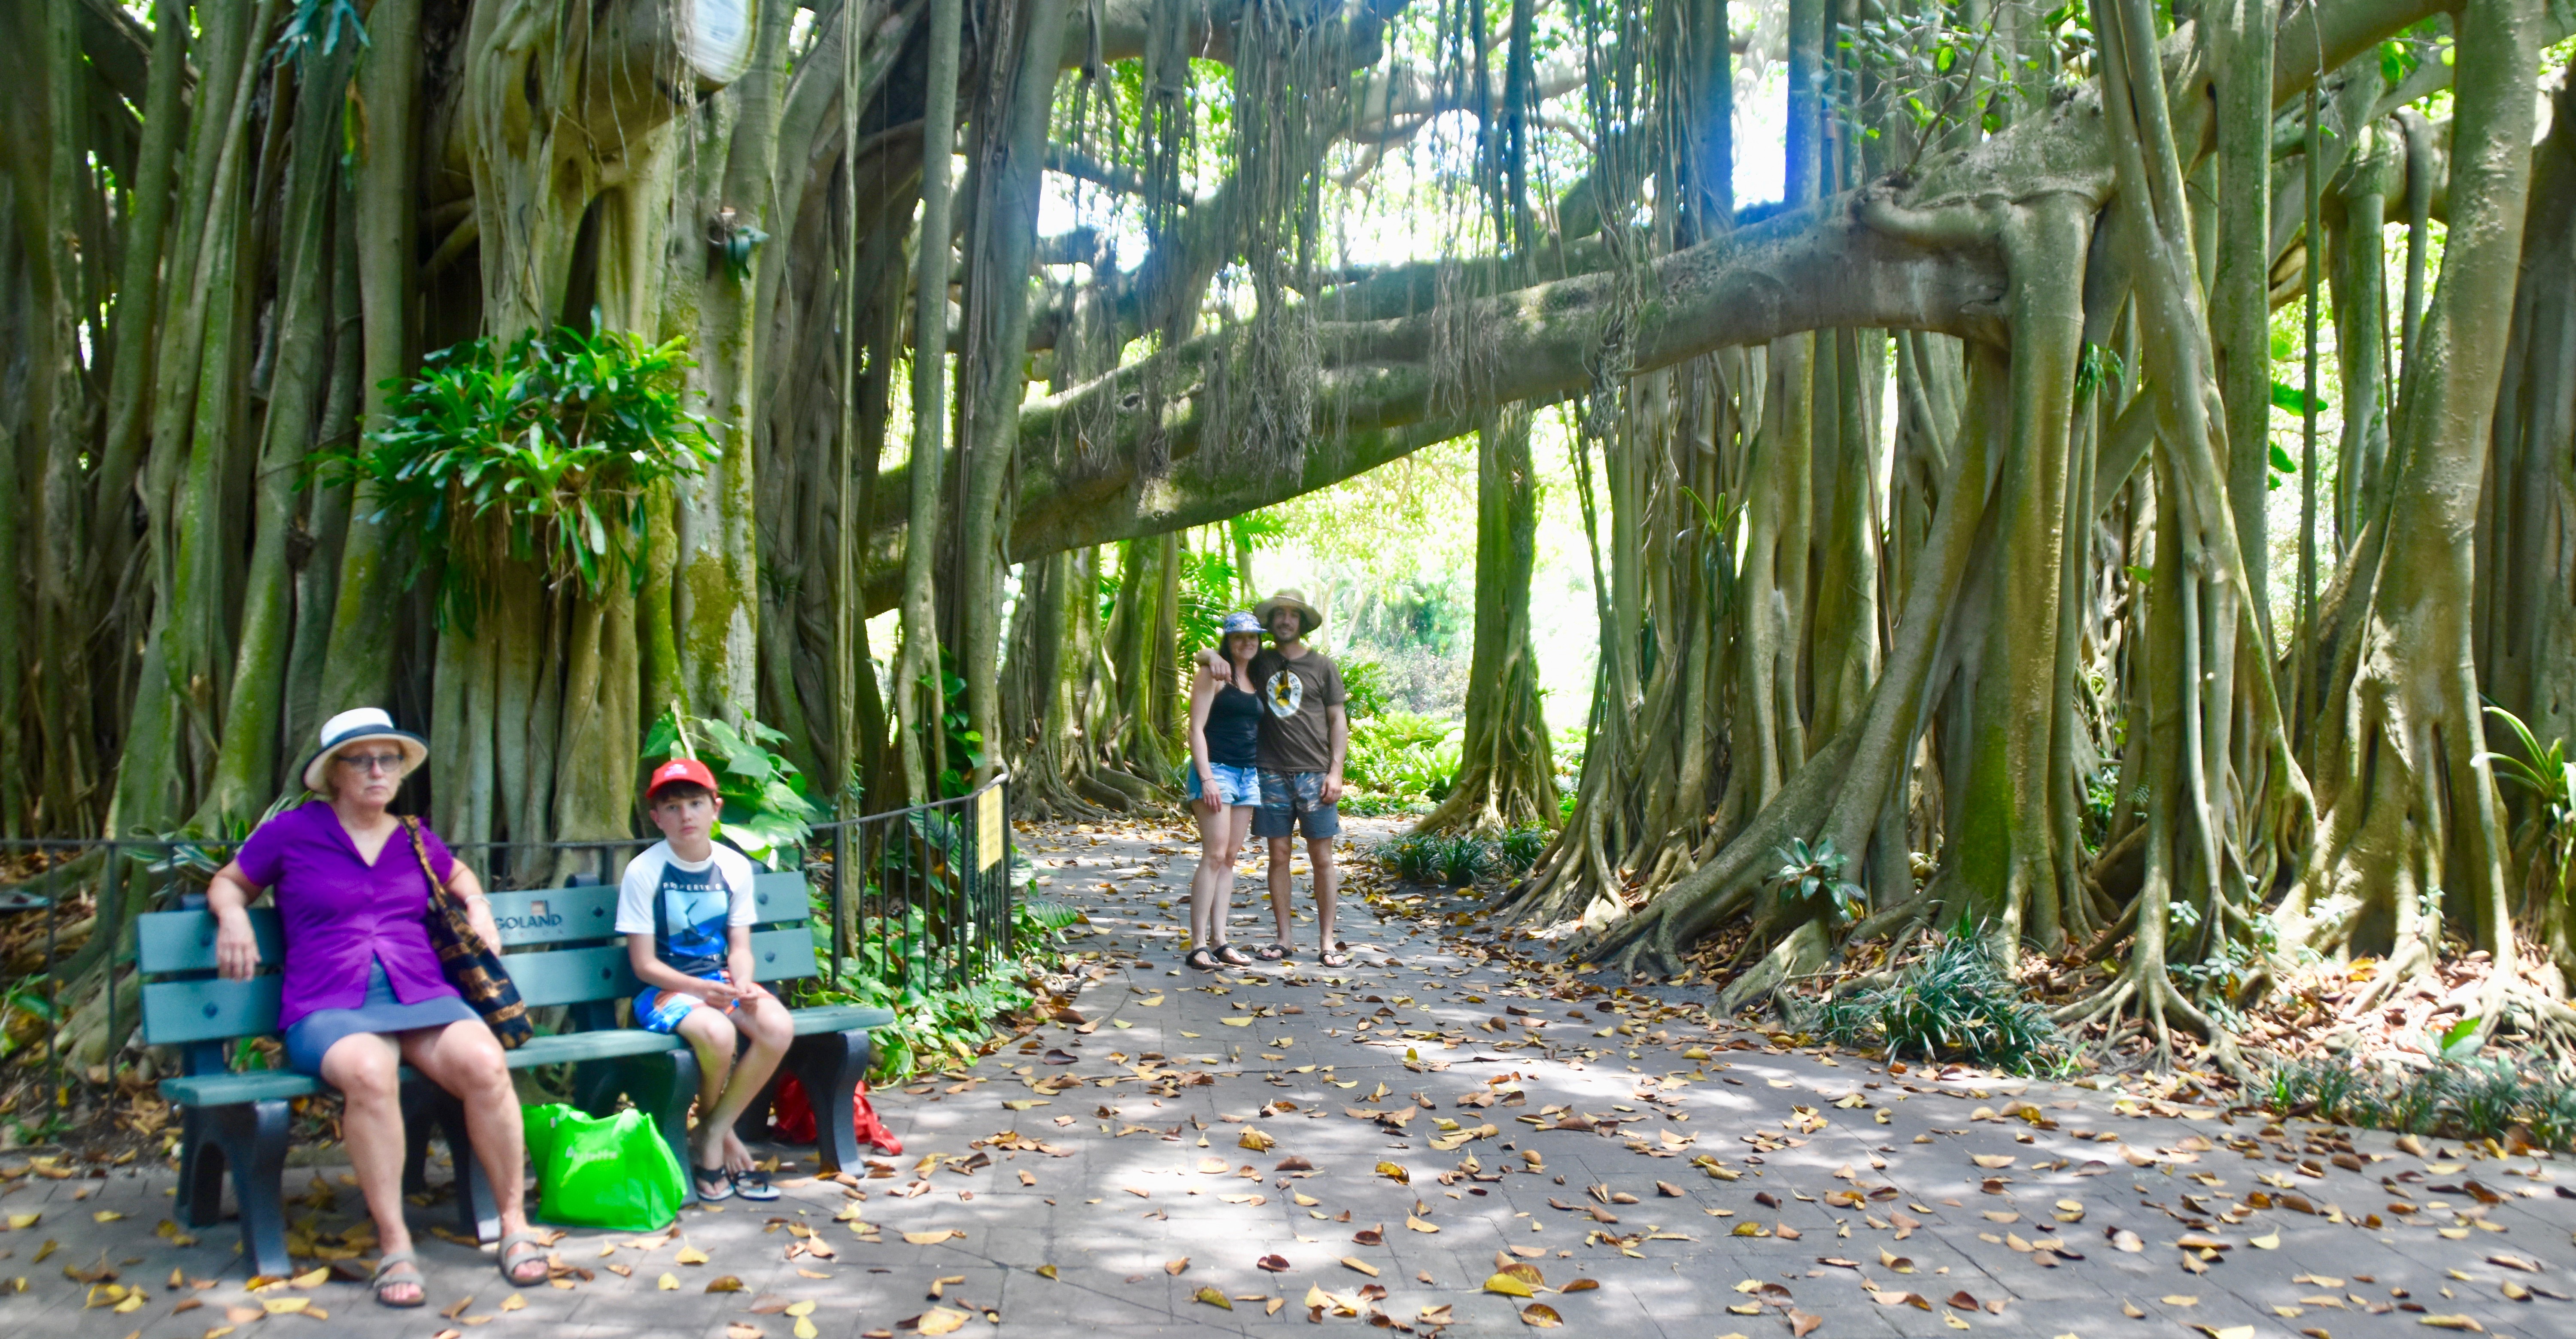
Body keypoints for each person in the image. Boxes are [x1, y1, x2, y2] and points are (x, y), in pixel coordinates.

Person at [207, 708, 549, 1306]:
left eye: (386, 759)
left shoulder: (414, 835)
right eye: (360, 759)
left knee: (486, 1063)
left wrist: (479, 904)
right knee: (369, 1071)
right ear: (332, 773)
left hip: (420, 991)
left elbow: (460, 873)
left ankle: (514, 1223)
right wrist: (233, 913)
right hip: (327, 1001)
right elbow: (231, 880)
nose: (375, 769)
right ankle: (395, 1242)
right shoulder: (292, 832)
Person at [617, 758, 793, 1203]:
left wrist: (746, 982)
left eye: (695, 803)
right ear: (657, 818)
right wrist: (699, 990)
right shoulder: (645, 871)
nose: (686, 816)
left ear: (716, 807)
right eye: (672, 807)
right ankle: (717, 1136)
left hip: (721, 982)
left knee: (777, 1026)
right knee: (716, 1032)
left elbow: (740, 945)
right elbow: (642, 963)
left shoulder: (734, 867)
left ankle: (712, 1129)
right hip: (665, 991)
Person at [1245, 589, 1351, 968]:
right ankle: (1284, 939)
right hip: (1270, 772)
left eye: (1293, 614)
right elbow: (1219, 658)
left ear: (1302, 622)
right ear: (1271, 622)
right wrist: (1208, 655)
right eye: (1279, 614)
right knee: (1278, 856)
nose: (1285, 620)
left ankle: (1326, 941)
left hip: (1315, 774)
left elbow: (1338, 720)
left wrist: (1336, 770)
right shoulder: (1258, 661)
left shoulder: (1323, 666)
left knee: (1323, 858)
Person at [1183, 611, 1267, 970]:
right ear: (1228, 641)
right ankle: (1198, 945)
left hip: (1248, 774)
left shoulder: (1256, 676)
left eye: (1253, 637)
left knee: (1230, 858)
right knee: (1214, 855)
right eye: (1239, 637)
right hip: (1216, 771)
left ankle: (1221, 941)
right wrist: (1207, 779)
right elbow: (1195, 728)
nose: (1247, 642)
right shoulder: (1214, 673)